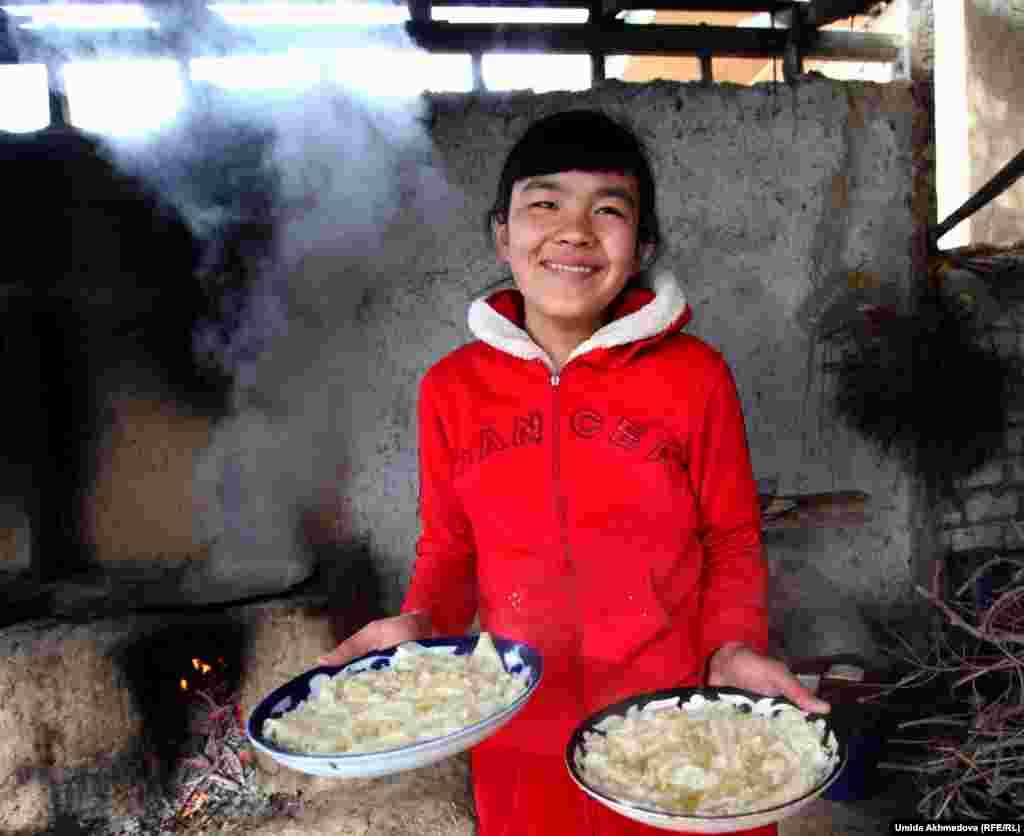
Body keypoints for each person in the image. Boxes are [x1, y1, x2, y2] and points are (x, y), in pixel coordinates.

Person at [320, 109, 829, 836]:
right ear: (503, 232)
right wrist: (423, 621)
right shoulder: (451, 390)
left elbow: (733, 540)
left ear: (643, 244)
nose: (574, 232)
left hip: (671, 724)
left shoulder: (695, 378)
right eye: (545, 204)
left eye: (609, 210)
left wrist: (734, 646)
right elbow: (450, 548)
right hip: (521, 732)